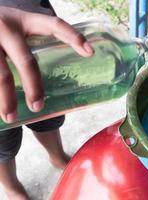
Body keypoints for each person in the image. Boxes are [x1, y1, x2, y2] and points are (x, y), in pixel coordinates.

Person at [0, 1, 94, 199]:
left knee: (47, 110)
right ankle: (11, 187)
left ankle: (57, 156)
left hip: (37, 29)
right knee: (3, 142)